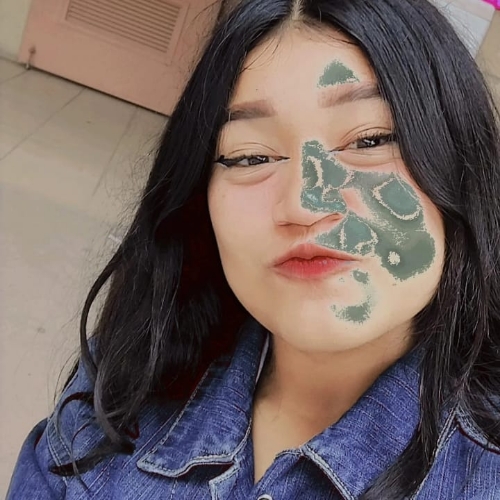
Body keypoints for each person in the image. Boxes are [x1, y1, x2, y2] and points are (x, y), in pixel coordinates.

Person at [7, 0, 500, 498]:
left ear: (463, 163)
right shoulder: (130, 374)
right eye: (250, 157)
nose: (305, 202)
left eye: (370, 140)